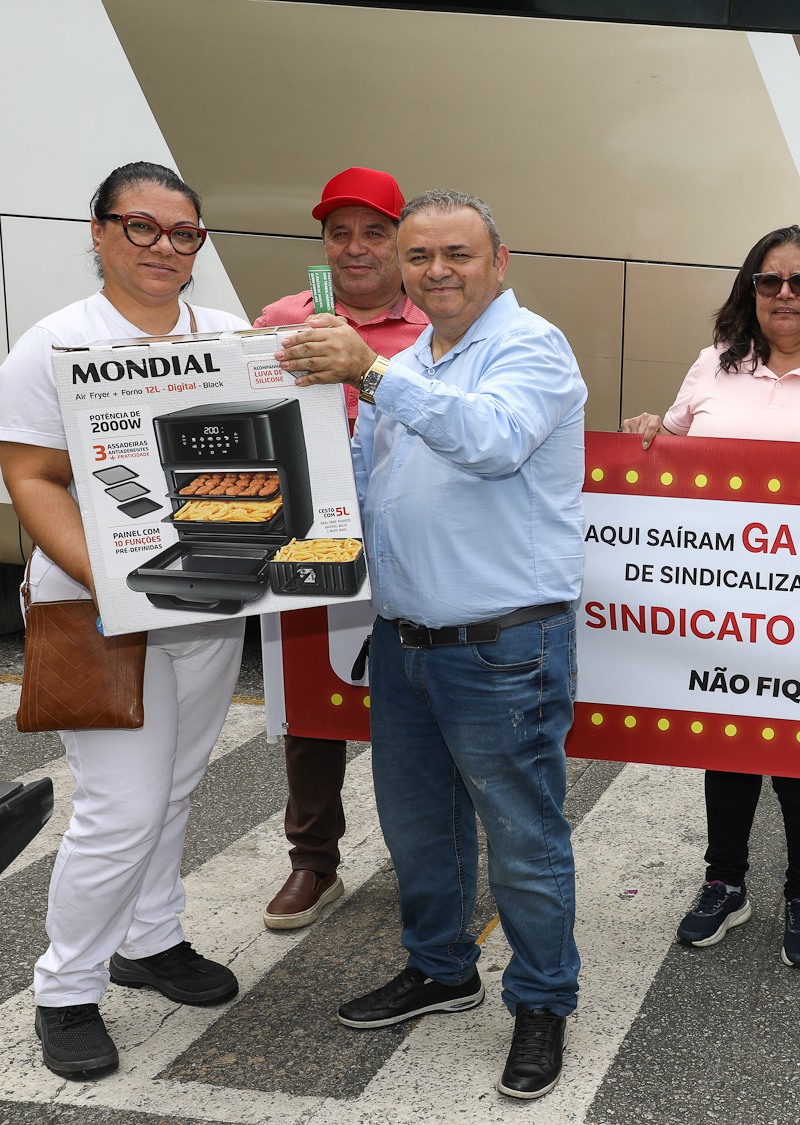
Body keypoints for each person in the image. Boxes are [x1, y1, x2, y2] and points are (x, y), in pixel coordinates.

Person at [278, 189, 585, 1100]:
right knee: (418, 828)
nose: (437, 270)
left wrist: (370, 376)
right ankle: (442, 967)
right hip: (406, 642)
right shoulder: (414, 356)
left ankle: (542, 997)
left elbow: (492, 442)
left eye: (458, 253)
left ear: (501, 261)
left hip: (503, 647)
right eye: (420, 257)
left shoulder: (532, 347)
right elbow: (374, 494)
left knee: (522, 837)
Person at [0, 163, 249, 1082]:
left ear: (199, 248)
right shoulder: (55, 342)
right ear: (99, 232)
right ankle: (65, 990)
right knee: (121, 806)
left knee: (178, 785)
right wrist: (108, 575)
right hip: (99, 609)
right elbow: (31, 476)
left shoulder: (228, 336)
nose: (161, 247)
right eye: (139, 227)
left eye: (182, 233)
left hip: (210, 599)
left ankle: (149, 937)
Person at [621, 223, 800, 969]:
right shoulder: (714, 365)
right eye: (769, 281)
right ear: (749, 290)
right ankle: (725, 881)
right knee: (730, 751)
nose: (784, 294)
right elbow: (673, 444)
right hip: (722, 610)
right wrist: (652, 429)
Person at [252, 167, 428, 932]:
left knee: (424, 697)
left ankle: (430, 864)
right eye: (339, 233)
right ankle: (313, 860)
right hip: (308, 537)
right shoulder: (282, 318)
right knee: (311, 704)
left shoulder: (436, 322)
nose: (355, 248)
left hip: (413, 540)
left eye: (375, 232)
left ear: (401, 240)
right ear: (324, 243)